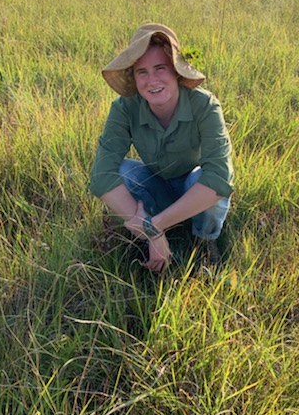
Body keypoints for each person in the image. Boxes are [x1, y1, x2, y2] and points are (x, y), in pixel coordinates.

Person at [89, 23, 233, 272]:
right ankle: (144, 228)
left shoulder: (205, 105)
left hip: (192, 187)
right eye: (142, 72)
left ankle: (204, 240)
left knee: (205, 178)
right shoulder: (125, 107)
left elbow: (219, 179)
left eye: (160, 68)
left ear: (176, 71)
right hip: (156, 184)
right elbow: (101, 176)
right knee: (123, 171)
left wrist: (153, 226)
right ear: (134, 78)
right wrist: (152, 232)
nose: (152, 80)